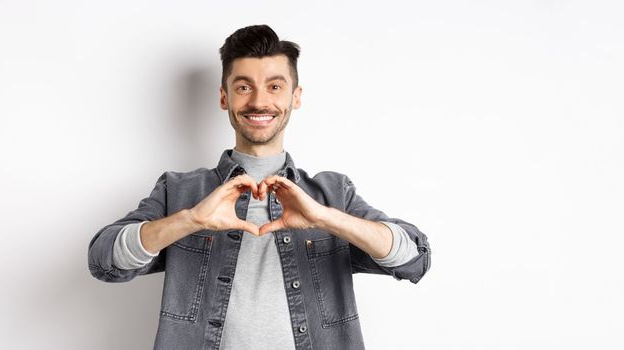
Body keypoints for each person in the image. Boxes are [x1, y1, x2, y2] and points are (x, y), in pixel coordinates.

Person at [88, 24, 430, 350]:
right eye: (243, 87)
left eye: (275, 86)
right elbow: (104, 260)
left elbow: (414, 259)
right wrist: (191, 220)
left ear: (295, 97)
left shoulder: (333, 193)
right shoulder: (180, 190)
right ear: (224, 97)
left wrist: (326, 218)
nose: (258, 101)